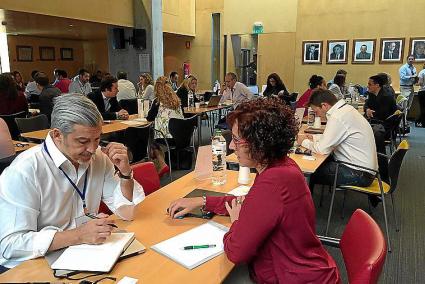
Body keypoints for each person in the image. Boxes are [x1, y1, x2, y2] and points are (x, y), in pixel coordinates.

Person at [167, 98, 340, 283]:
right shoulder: (281, 165)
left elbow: (236, 251)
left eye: (235, 140)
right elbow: (250, 203)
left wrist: (236, 222)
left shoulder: (273, 181)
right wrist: (202, 201)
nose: (232, 147)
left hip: (292, 277)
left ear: (259, 143)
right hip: (302, 269)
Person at [0, 94, 145, 270]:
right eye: (83, 141)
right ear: (57, 135)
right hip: (33, 265)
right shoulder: (24, 171)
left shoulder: (99, 157)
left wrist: (125, 173)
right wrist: (78, 235)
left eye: (97, 139)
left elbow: (126, 212)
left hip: (83, 254)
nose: (92, 149)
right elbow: (10, 245)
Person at [298, 89, 378, 190]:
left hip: (359, 174)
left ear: (324, 105)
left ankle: (306, 204)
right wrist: (314, 137)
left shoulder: (337, 117)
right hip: (365, 170)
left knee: (307, 171)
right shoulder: (346, 109)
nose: (317, 115)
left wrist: (304, 142)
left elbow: (322, 150)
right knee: (317, 163)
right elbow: (337, 137)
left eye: (316, 111)